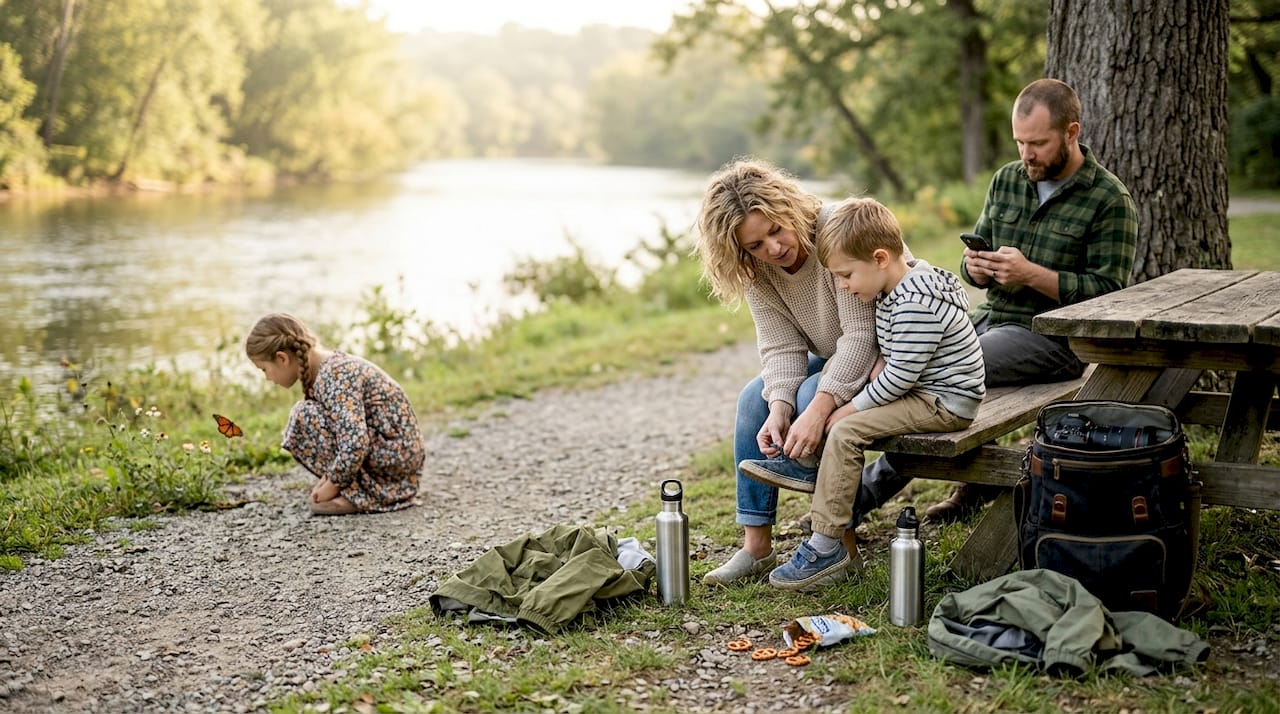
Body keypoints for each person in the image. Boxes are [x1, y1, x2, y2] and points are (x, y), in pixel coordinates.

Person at [856, 77, 1139, 524]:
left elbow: (1108, 298)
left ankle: (858, 498)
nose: (1027, 154)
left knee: (934, 368)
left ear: (1072, 132)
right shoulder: (1007, 179)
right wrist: (976, 267)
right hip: (990, 318)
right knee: (900, 349)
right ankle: (974, 484)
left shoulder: (1109, 199)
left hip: (1051, 339)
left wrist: (1031, 275)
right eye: (1020, 142)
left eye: (1038, 143)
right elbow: (971, 268)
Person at [739, 198, 985, 590]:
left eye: (845, 276)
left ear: (880, 258)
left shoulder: (914, 303)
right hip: (924, 391)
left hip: (942, 402)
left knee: (844, 430)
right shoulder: (892, 288)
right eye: (755, 245)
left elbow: (899, 377)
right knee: (784, 403)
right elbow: (893, 356)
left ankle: (827, 545)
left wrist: (847, 408)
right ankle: (801, 494)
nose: (841, 285)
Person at [695, 158, 883, 586]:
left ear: (787, 208)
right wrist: (778, 408)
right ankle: (756, 548)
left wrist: (815, 409)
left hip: (885, 356)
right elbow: (782, 347)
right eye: (756, 245)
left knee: (811, 396)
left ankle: (839, 545)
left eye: (776, 230)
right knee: (755, 399)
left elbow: (861, 336)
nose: (774, 249)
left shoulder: (834, 230)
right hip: (841, 355)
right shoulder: (757, 271)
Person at [245, 312, 426, 515]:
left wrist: (332, 485)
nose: (267, 378)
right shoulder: (325, 369)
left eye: (264, 370)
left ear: (282, 358)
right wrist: (329, 478)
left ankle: (368, 495)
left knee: (303, 416)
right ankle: (354, 486)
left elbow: (355, 442)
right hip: (393, 454)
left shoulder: (335, 374)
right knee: (307, 414)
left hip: (395, 457)